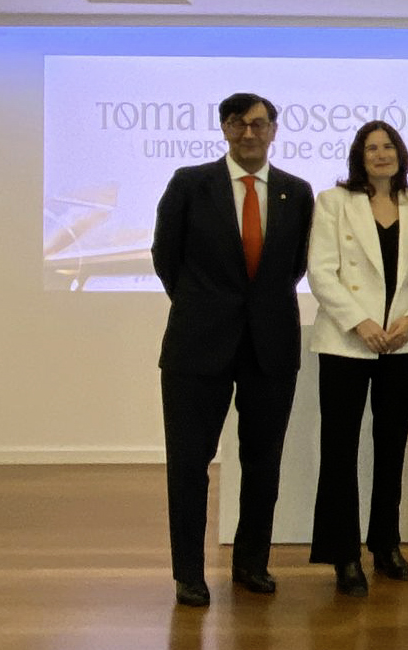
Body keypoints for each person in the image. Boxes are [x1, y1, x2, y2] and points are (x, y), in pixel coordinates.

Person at [151, 92, 314, 607]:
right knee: (189, 462)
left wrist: (254, 308)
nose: (250, 133)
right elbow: (165, 257)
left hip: (271, 345)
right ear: (224, 129)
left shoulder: (297, 191)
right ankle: (189, 574)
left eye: (260, 124)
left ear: (274, 131)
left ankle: (251, 564)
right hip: (197, 345)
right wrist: (205, 306)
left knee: (263, 461)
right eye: (240, 124)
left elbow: (294, 267)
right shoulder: (190, 183)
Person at [306, 120, 408, 597]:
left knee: (391, 448)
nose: (381, 154)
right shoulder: (334, 202)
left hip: (402, 342)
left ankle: (385, 544)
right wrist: (360, 322)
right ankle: (343, 554)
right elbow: (321, 272)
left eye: (388, 147)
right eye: (371, 148)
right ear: (358, 156)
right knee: (340, 451)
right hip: (347, 342)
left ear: (401, 154)